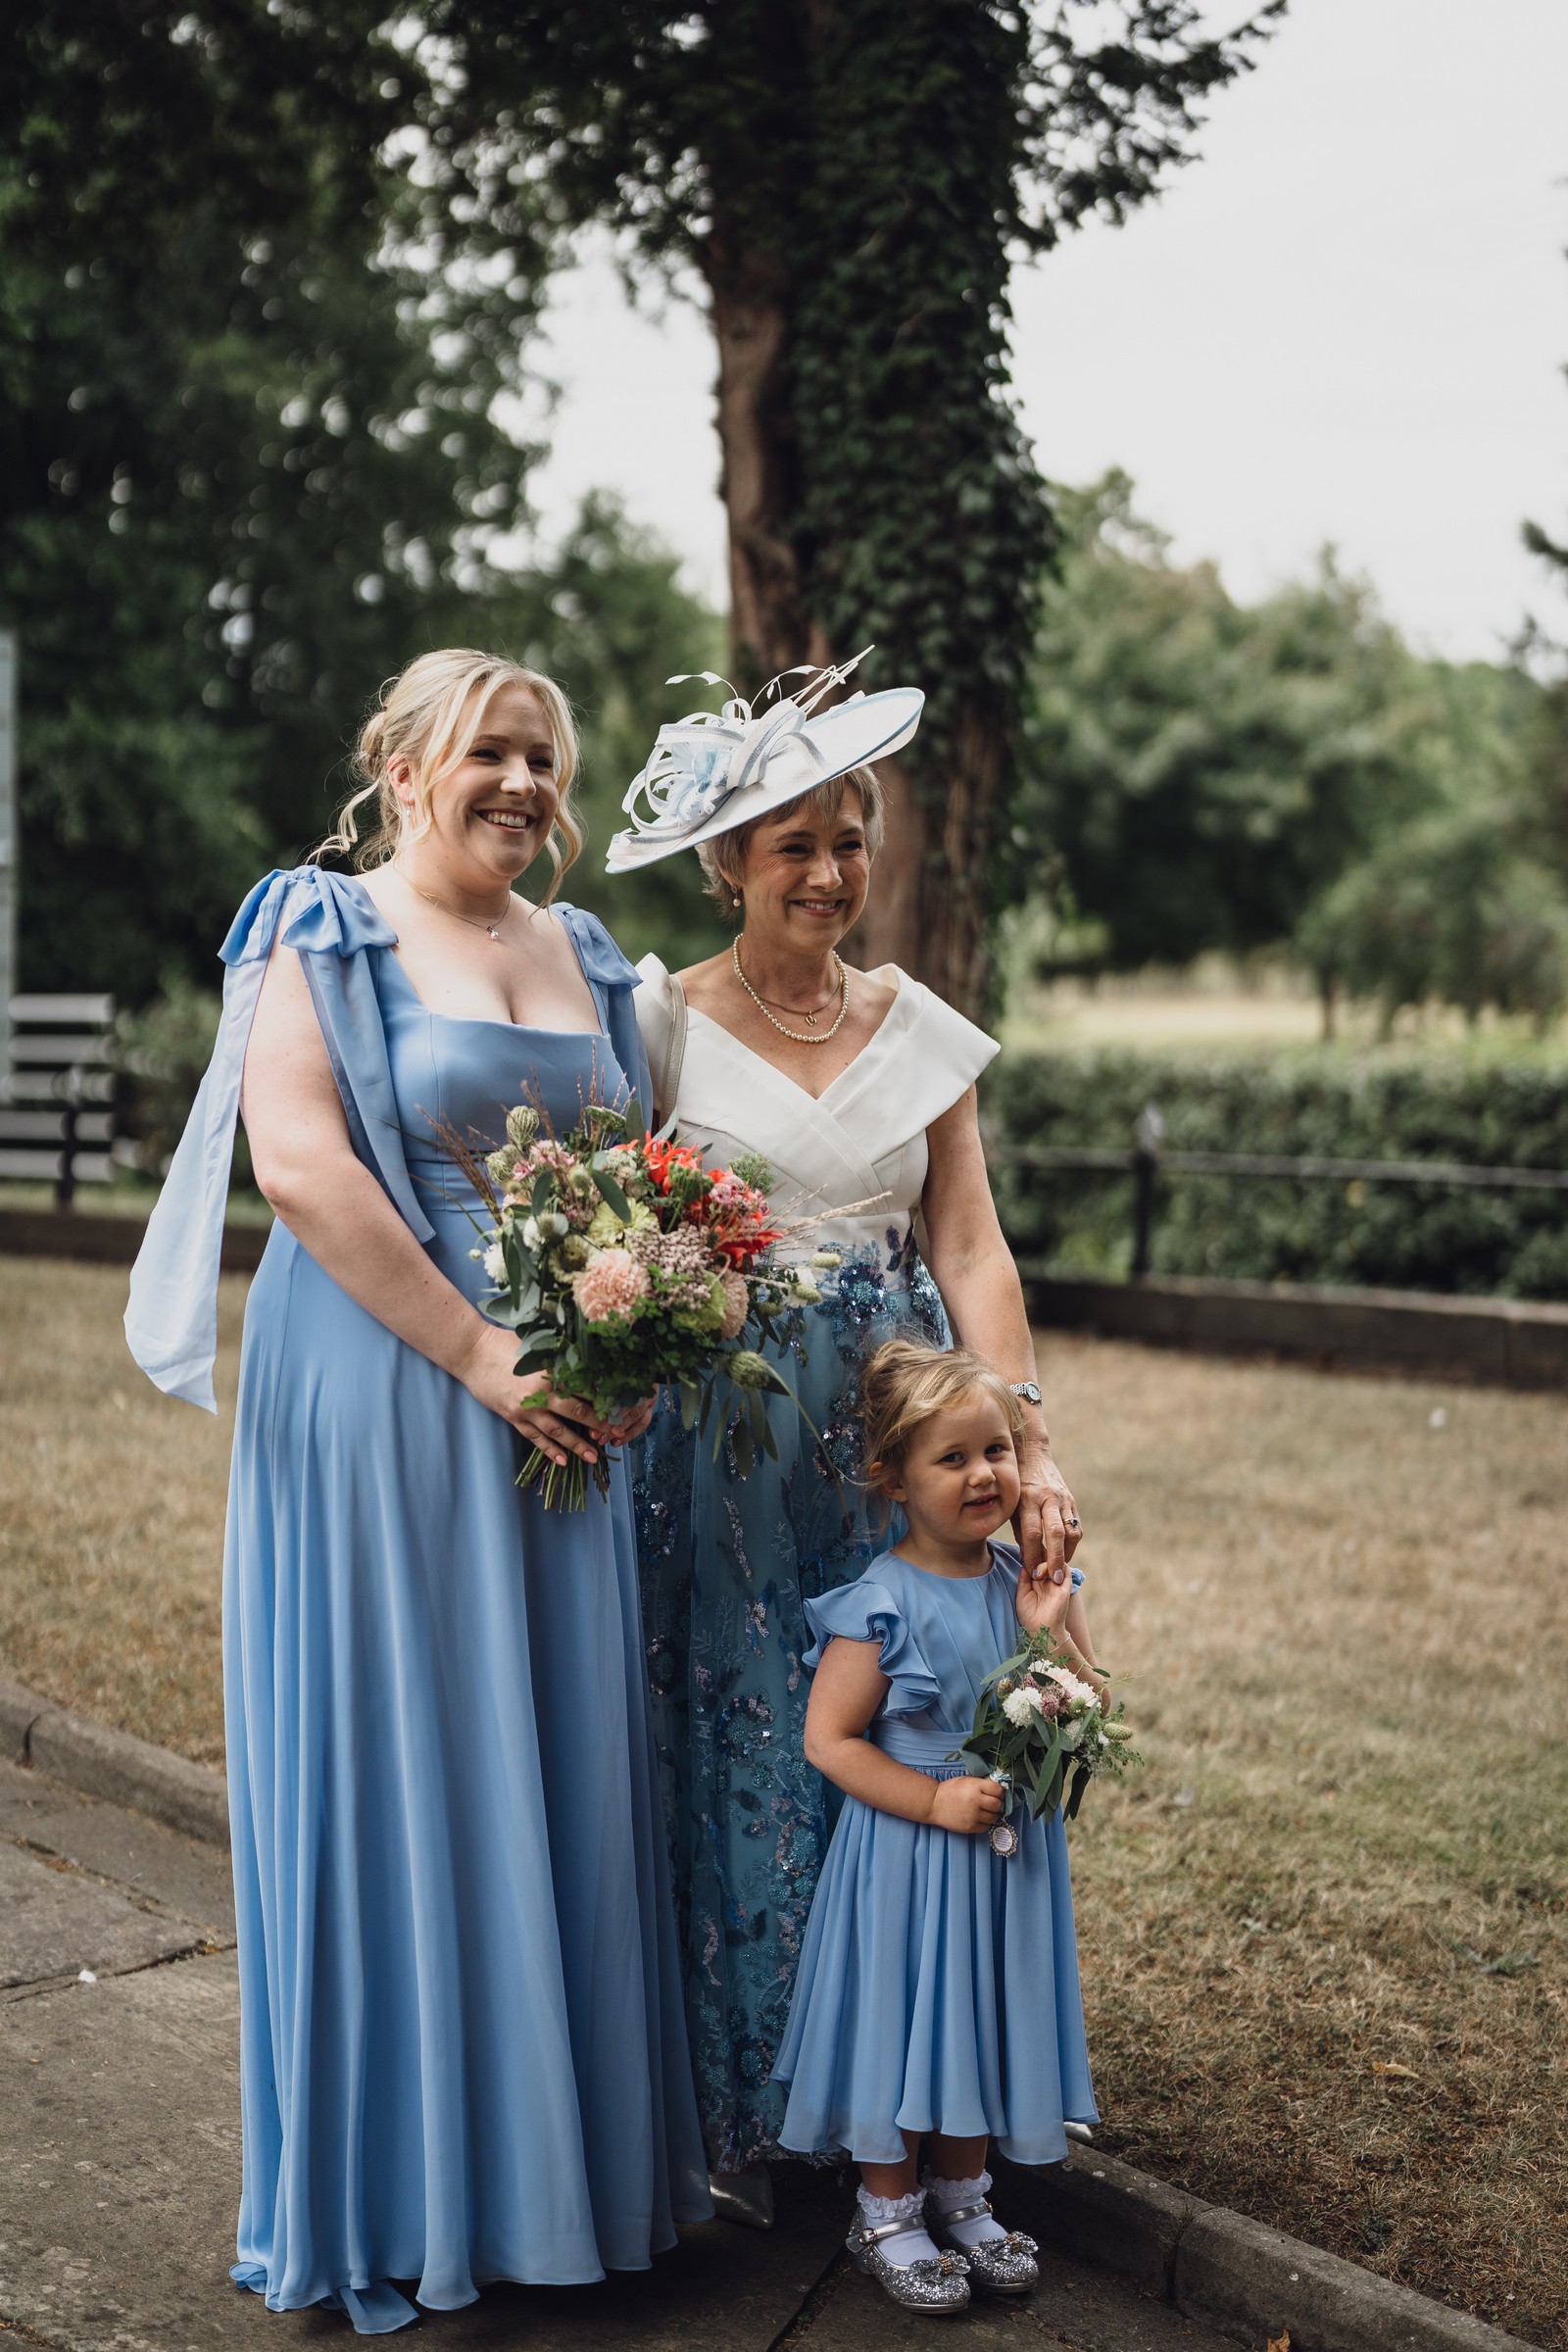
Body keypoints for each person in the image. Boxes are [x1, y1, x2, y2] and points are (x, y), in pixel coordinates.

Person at [124, 649, 710, 2333]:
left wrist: (649, 1319)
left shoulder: (586, 950)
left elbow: (639, 1168)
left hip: (572, 1392)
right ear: (399, 765)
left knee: (565, 1765)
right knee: (408, 1756)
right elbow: (298, 1162)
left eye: (545, 757)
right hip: (390, 1375)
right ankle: (409, 2190)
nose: (524, 784)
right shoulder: (317, 931)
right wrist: (483, 1356)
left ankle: (561, 2191)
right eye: (489, 754)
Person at [608, 655, 1084, 2216]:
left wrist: (1024, 1446)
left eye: (851, 839)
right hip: (730, 1446)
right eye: (793, 843)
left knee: (915, 1728)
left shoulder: (920, 1026)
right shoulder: (655, 1027)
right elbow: (624, 1243)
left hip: (898, 1440)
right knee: (756, 1734)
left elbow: (972, 1250)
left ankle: (919, 2086)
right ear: (726, 860)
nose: (828, 873)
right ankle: (769, 2096)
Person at [771, 1341, 1101, 2314]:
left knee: (983, 2021)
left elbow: (1089, 1713)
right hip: (911, 1860)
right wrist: (932, 1799)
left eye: (996, 1450)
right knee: (903, 2024)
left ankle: (965, 2197)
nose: (982, 1474)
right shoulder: (880, 1606)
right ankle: (885, 2211)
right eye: (950, 1459)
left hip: (1008, 1861)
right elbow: (829, 1741)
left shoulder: (1028, 1582)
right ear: (893, 1479)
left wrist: (1045, 1627)